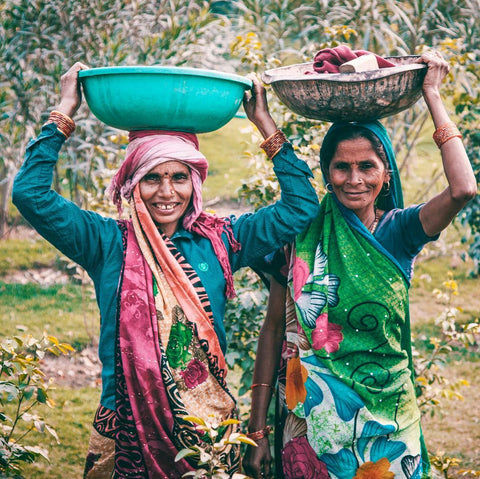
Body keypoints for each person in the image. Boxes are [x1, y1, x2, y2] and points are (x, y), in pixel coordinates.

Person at [11, 62, 320, 478]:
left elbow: (301, 206)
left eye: (179, 177)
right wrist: (65, 111)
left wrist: (264, 122)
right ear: (131, 183)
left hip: (206, 432)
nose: (167, 192)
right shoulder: (105, 243)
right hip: (125, 431)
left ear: (195, 182)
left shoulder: (222, 240)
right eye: (152, 177)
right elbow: (30, 194)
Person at [243, 50, 476, 479]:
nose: (355, 180)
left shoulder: (400, 231)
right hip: (311, 420)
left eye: (367, 167)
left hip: (389, 416)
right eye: (341, 168)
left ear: (386, 173)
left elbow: (462, 189)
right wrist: (256, 429)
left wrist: (433, 94)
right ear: (326, 173)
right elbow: (274, 327)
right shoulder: (304, 230)